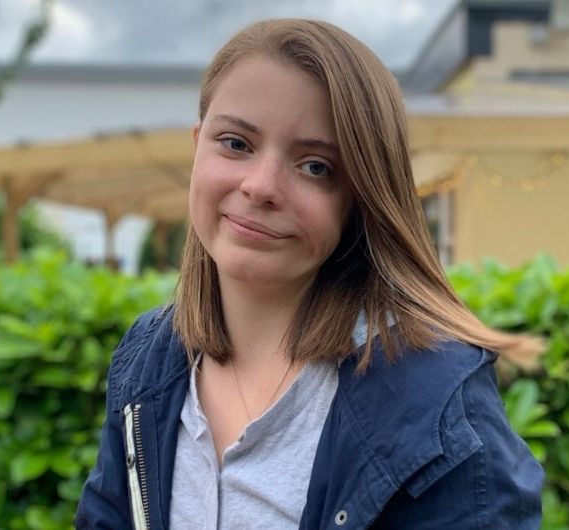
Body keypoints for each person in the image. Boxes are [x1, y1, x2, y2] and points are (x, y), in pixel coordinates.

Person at [76, 18, 545, 530]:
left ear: (360, 200)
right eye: (236, 143)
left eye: (316, 166)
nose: (261, 186)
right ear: (197, 146)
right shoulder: (148, 357)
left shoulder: (437, 409)